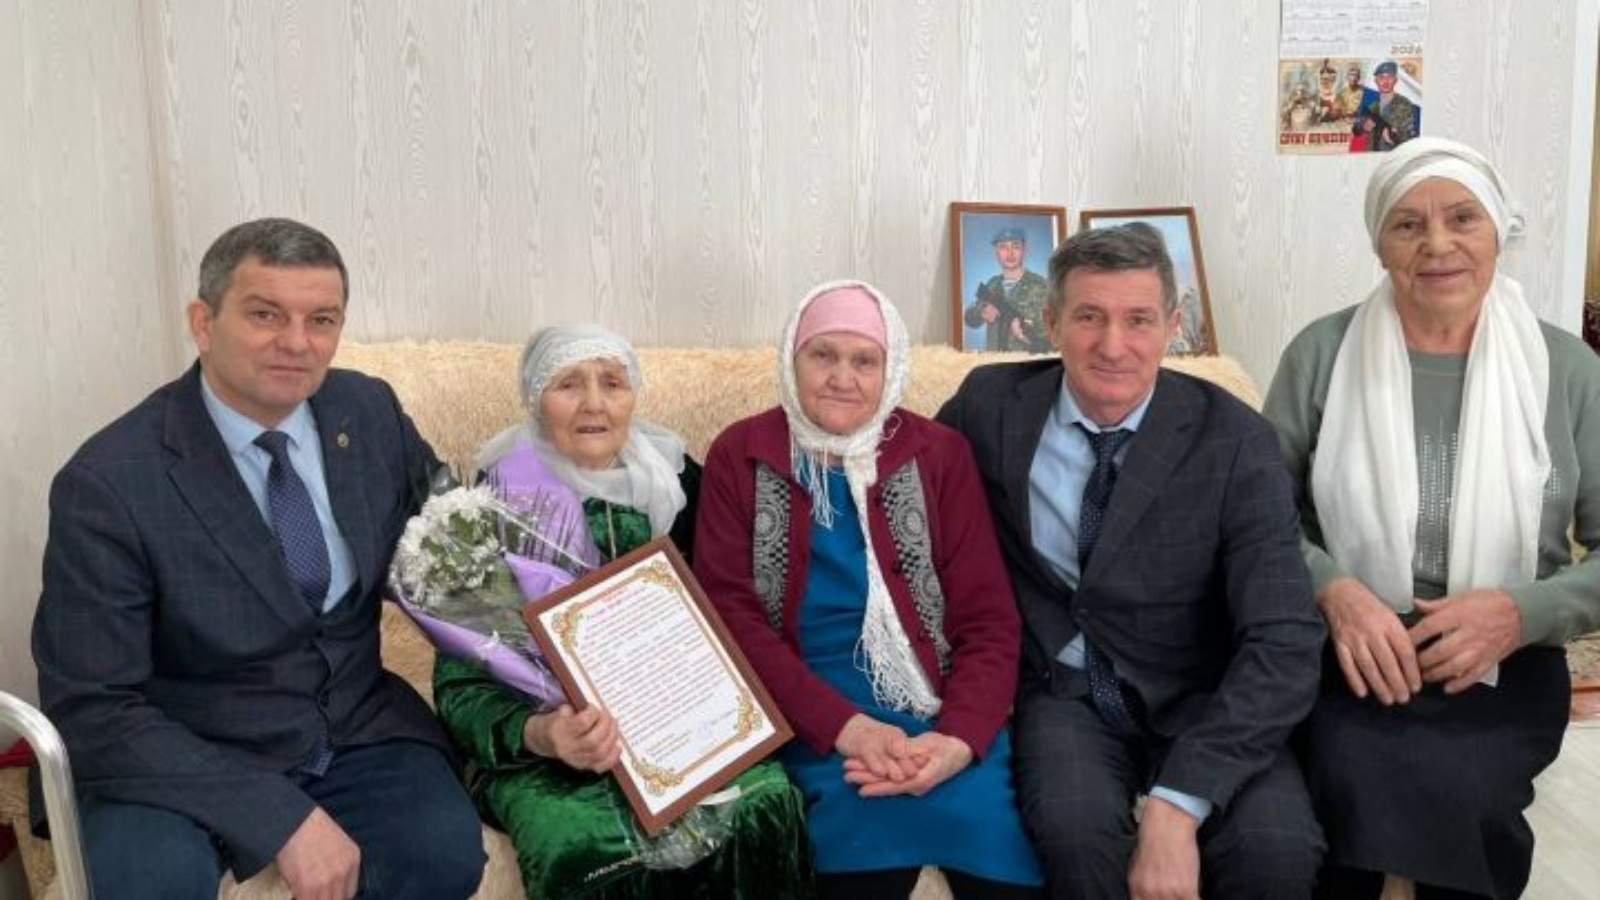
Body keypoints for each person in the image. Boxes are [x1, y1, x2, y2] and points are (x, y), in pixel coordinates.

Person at [30, 218, 485, 899]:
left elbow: (455, 564)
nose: (297, 343)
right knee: (150, 884)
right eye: (266, 315)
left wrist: (558, 677)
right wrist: (279, 817)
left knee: (441, 850)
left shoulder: (367, 410)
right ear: (203, 322)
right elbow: (93, 707)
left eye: (321, 320)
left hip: (352, 726)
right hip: (179, 752)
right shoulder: (109, 482)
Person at [938, 224, 1326, 900]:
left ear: (1173, 326)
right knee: (1074, 836)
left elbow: (1285, 637)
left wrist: (1177, 808)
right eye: (1089, 317)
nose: (1113, 346)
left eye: (1139, 320)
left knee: (1276, 851)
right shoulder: (989, 406)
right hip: (1063, 692)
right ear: (1051, 322)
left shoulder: (1238, 441)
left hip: (1207, 696)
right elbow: (902, 485)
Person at [1263, 137, 1600, 899]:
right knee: (1342, 781)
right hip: (1348, 648)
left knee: (1468, 792)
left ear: (1498, 232)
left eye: (1462, 218)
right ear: (1380, 244)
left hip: (1508, 655)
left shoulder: (1568, 371)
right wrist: (1333, 591)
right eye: (1408, 224)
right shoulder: (1320, 354)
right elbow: (1257, 518)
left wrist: (1519, 612)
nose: (1438, 244)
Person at [431, 324, 810, 899]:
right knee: (580, 845)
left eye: (612, 383)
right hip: (553, 752)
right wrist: (543, 733)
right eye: (568, 385)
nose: (594, 404)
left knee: (767, 803)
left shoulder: (681, 485)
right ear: (535, 397)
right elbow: (460, 682)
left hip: (680, 729)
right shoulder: (491, 506)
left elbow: (737, 616)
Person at [695, 282, 1044, 899]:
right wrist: (845, 728)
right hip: (804, 709)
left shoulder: (940, 455)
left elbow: (988, 620)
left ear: (891, 369)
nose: (841, 378)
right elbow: (730, 621)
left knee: (997, 854)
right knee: (859, 855)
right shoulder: (741, 454)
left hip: (937, 707)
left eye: (864, 361)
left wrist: (958, 740)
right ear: (792, 359)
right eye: (822, 355)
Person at [965, 227, 1052, 352]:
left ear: (1024, 250)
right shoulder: (993, 284)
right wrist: (982, 311)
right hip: (994, 361)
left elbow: (1054, 340)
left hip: (1027, 362)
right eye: (1003, 247)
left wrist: (1025, 336)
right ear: (996, 252)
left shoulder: (1041, 286)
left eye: (1016, 246)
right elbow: (970, 320)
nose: (1010, 253)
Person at [1352, 60, 1420, 152]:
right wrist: (1363, 125)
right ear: (1376, 81)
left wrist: (1395, 139)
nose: (1385, 81)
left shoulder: (1404, 105)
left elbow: (1412, 137)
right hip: (1370, 155)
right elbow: (1355, 130)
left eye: (1390, 77)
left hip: (1392, 155)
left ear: (1395, 80)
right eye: (1381, 77)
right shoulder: (1371, 104)